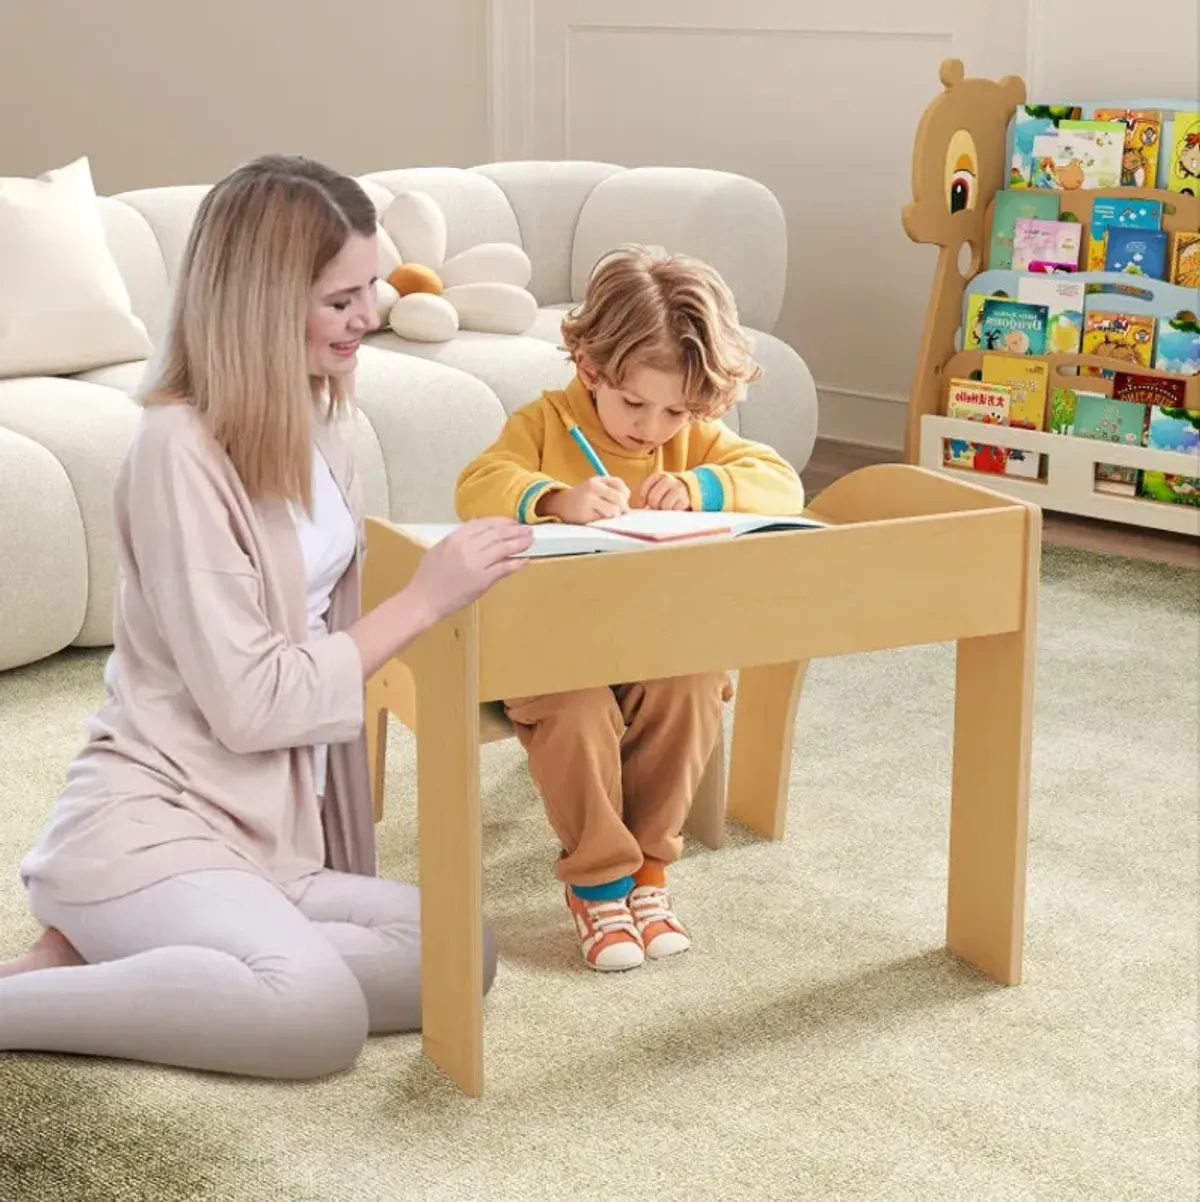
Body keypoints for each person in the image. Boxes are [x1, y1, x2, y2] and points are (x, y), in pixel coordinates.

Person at [0, 154, 533, 1080]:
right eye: (340, 299)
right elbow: (251, 703)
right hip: (156, 819)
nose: (369, 316)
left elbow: (324, 633)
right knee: (313, 1012)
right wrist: (423, 599)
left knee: (461, 952)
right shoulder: (177, 451)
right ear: (258, 303)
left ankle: (150, 956)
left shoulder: (319, 419)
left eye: (369, 288)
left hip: (268, 836)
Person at [455, 245, 806, 972]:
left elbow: (777, 483)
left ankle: (648, 869)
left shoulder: (691, 438)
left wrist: (705, 487)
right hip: (543, 650)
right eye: (634, 404)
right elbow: (479, 484)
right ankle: (598, 882)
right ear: (591, 371)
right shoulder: (547, 422)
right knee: (578, 710)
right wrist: (555, 498)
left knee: (695, 683)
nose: (652, 429)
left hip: (649, 642)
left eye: (676, 410)